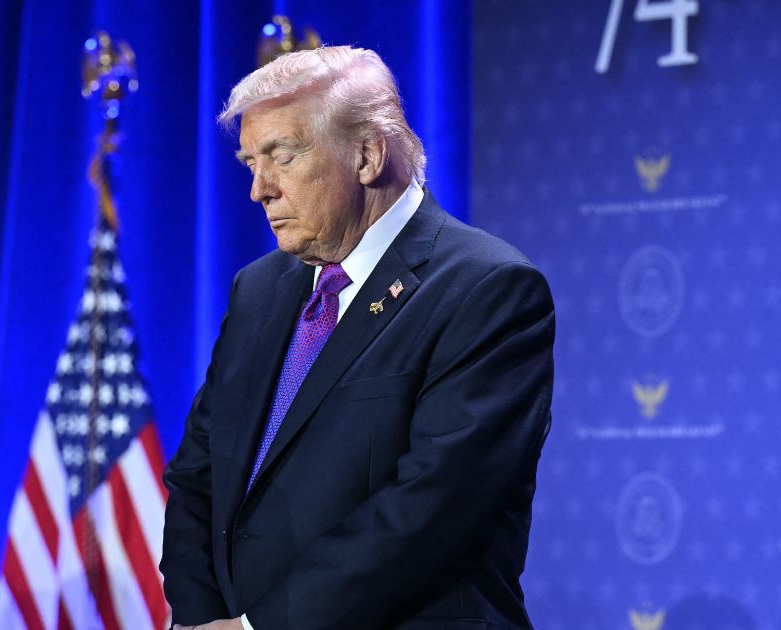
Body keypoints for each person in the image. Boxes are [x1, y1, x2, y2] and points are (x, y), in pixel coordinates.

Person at [161, 45, 555, 630]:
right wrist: (199, 620)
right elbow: (199, 475)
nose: (258, 190)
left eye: (281, 157)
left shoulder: (487, 289)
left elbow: (431, 511)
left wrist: (260, 628)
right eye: (250, 163)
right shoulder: (260, 290)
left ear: (368, 154)